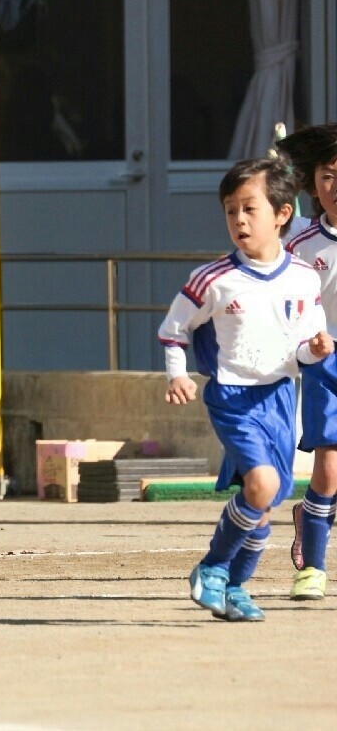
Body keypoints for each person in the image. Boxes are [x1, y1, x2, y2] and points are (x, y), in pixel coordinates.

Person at [160, 154, 333, 622]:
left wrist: (315, 350)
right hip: (233, 397)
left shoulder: (301, 277)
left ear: (282, 214)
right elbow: (173, 330)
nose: (238, 219)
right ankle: (213, 568)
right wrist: (177, 373)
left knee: (264, 504)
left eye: (249, 208)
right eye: (231, 209)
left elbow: (303, 346)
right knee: (262, 485)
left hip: (280, 396)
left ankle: (235, 587)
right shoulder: (213, 279)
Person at [280, 123, 337, 601]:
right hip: (326, 367)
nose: (335, 187)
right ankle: (314, 568)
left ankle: (310, 515)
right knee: (329, 468)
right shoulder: (301, 248)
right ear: (312, 182)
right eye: (328, 175)